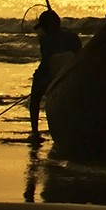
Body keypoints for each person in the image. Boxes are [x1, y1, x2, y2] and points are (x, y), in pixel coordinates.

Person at [27, 9, 81, 139]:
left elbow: (46, 60)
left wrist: (38, 75)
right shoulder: (73, 37)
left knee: (35, 97)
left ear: (46, 27)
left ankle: (35, 131)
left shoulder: (44, 40)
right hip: (71, 73)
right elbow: (79, 57)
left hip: (54, 74)